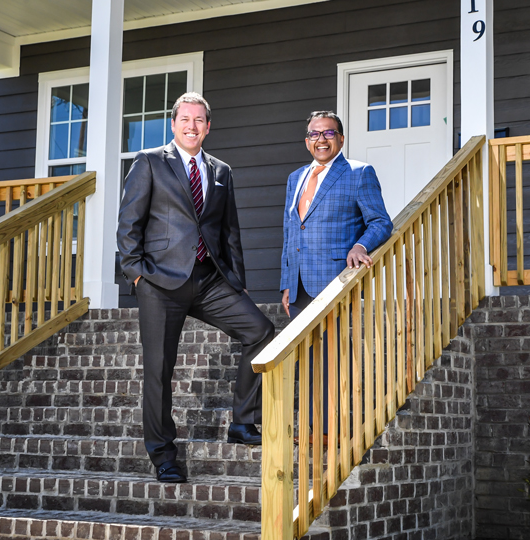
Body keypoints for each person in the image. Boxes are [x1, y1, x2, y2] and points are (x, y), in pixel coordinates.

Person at [117, 92, 275, 484]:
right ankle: (163, 455)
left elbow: (229, 231)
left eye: (199, 120)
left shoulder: (221, 171)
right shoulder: (150, 161)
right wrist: (136, 273)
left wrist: (237, 282)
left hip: (209, 278)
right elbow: (128, 224)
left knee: (260, 331)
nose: (191, 126)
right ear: (173, 124)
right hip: (160, 281)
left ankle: (242, 422)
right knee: (158, 370)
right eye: (185, 119)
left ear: (208, 126)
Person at [280, 111, 393, 441]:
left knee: (330, 356)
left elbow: (380, 222)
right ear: (307, 141)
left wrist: (360, 245)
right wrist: (287, 283)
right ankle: (315, 427)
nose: (321, 139)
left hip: (334, 280)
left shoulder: (359, 173)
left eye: (329, 133)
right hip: (300, 283)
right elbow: (291, 231)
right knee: (308, 358)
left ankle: (331, 430)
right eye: (314, 134)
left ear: (341, 139)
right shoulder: (295, 178)